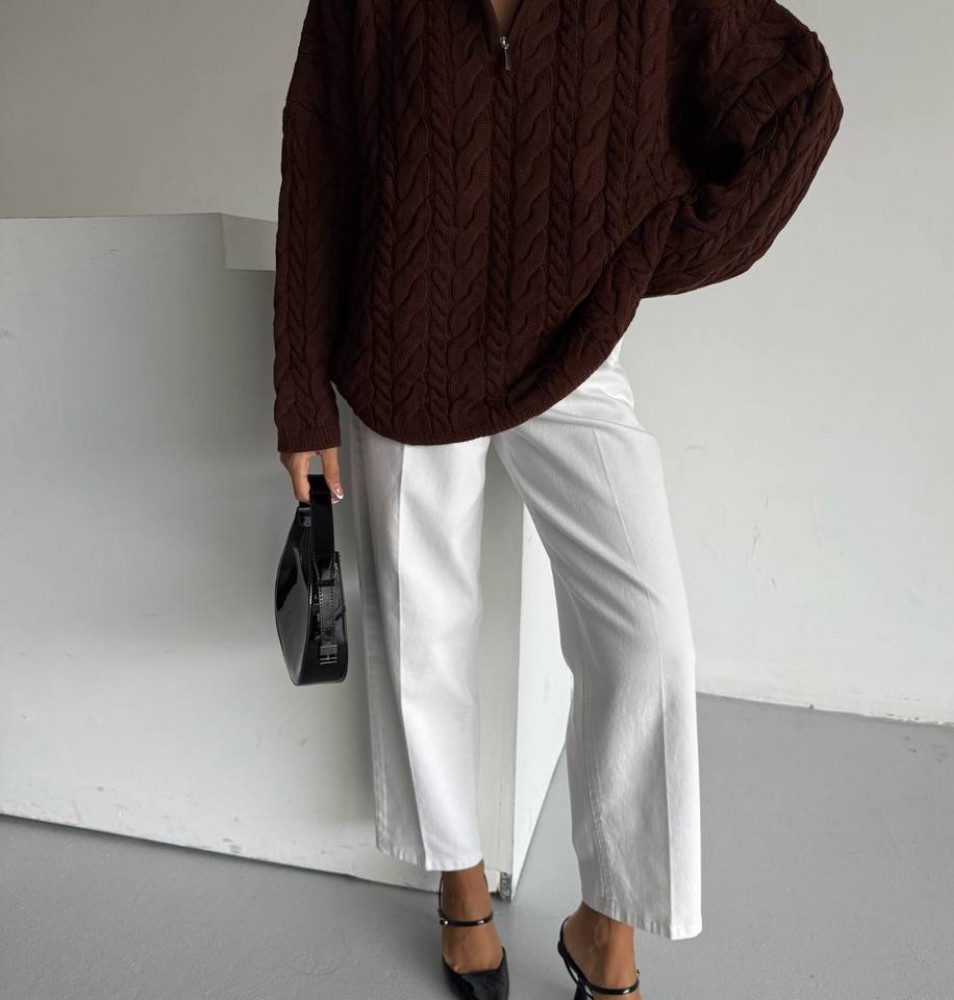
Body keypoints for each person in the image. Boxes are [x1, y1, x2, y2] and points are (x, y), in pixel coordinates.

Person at [272, 1, 844, 998]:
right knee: (422, 632)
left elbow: (797, 92)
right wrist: (299, 400)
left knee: (648, 636)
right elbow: (317, 169)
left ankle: (607, 920)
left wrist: (649, 256)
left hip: (572, 346)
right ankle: (459, 884)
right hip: (405, 346)